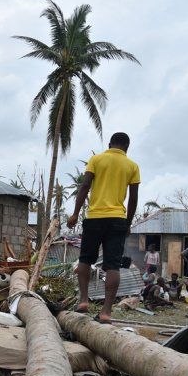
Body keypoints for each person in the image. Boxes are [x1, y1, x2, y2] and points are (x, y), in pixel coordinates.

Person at [67, 132, 140, 324]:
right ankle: (106, 311)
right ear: (127, 147)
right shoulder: (132, 166)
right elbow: (133, 199)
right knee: (113, 266)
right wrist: (128, 223)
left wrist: (75, 214)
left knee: (85, 259)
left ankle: (84, 301)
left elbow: (84, 186)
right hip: (117, 219)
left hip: (94, 218)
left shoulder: (96, 159)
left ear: (109, 144)